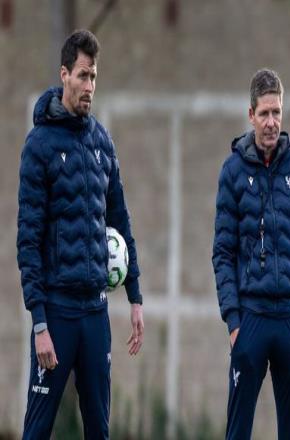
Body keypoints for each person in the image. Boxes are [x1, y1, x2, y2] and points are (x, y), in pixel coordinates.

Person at [17, 29, 144, 440]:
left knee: (99, 431)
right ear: (64, 75)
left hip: (95, 314)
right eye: (83, 75)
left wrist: (135, 296)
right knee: (37, 430)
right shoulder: (39, 146)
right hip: (56, 314)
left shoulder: (102, 142)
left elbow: (120, 220)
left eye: (94, 77)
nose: (89, 86)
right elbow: (28, 240)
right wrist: (39, 323)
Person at [212, 68, 290, 439]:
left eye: (277, 112)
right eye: (264, 113)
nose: (272, 122)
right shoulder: (232, 172)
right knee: (237, 432)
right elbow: (222, 253)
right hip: (251, 320)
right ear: (251, 115)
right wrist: (234, 322)